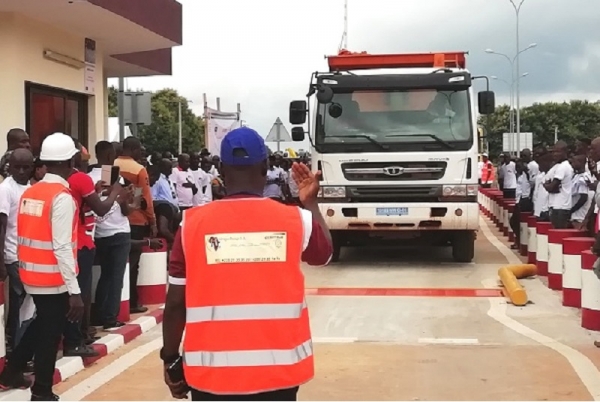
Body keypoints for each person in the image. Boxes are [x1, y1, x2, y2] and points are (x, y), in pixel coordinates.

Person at [162, 127, 333, 401]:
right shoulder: (295, 219)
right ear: (265, 168)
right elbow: (323, 255)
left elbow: (174, 304)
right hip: (279, 373)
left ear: (220, 170)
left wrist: (170, 360)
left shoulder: (191, 224)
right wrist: (310, 203)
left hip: (211, 377)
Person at [0, 133, 84, 401]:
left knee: (42, 325)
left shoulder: (32, 191)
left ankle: (12, 372)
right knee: (50, 334)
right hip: (53, 277)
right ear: (70, 161)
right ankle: (42, 391)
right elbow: (61, 247)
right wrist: (75, 291)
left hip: (31, 274)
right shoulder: (61, 197)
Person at [62, 138, 124, 356]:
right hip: (82, 241)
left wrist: (96, 191)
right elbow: (101, 209)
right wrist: (116, 191)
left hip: (68, 241)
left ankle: (78, 335)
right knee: (80, 293)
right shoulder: (80, 178)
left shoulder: (60, 180)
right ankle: (76, 339)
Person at [89, 141, 133, 329]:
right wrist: (126, 199)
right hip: (119, 231)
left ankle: (98, 314)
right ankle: (110, 317)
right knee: (116, 278)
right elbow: (125, 209)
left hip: (99, 232)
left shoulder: (88, 176)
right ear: (109, 156)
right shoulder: (112, 175)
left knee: (105, 276)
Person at [114, 136, 157, 314]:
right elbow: (143, 198)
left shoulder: (112, 164)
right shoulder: (139, 169)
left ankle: (117, 303)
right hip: (136, 219)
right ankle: (132, 302)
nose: (141, 153)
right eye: (139, 150)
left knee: (117, 265)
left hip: (114, 220)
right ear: (133, 150)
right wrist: (152, 221)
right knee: (133, 264)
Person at [0, 149, 34, 352]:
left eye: (26, 167)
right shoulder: (6, 189)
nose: (21, 171)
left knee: (29, 306)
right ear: (9, 167)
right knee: (21, 305)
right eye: (17, 167)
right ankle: (18, 350)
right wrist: (2, 260)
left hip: (31, 256)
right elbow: (2, 226)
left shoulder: (30, 189)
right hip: (13, 256)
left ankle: (23, 350)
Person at [544, 141, 574, 229]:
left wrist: (548, 185)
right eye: (553, 152)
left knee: (559, 234)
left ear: (565, 152)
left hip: (561, 206)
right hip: (556, 205)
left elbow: (551, 186)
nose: (554, 154)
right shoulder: (557, 166)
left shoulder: (563, 166)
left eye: (558, 151)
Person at [510, 160, 532, 249]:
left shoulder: (526, 176)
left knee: (516, 222)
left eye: (518, 167)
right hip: (518, 200)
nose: (517, 170)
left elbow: (530, 187)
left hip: (523, 200)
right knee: (514, 222)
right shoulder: (519, 177)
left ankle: (520, 242)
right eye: (516, 168)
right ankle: (518, 241)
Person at [570, 154, 592, 230]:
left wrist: (571, 210)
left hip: (580, 216)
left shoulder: (583, 178)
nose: (572, 164)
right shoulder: (576, 176)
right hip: (575, 216)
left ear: (580, 162)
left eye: (574, 162)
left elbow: (583, 198)